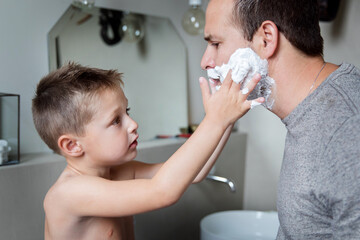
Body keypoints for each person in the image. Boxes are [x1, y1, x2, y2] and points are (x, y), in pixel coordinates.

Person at [31, 62, 263, 240]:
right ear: (72, 146)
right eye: (115, 121)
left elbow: (196, 172)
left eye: (127, 112)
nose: (133, 124)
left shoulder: (120, 172)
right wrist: (214, 120)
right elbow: (163, 191)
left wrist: (226, 120)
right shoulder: (69, 193)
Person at [201, 0, 360, 239]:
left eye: (215, 43)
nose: (205, 61)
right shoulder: (316, 110)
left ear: (266, 39)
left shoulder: (347, 132)